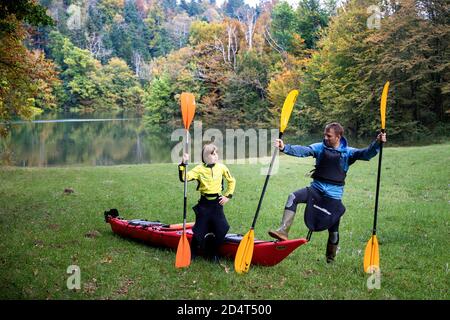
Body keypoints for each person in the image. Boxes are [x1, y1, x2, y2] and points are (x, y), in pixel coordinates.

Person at [268, 122, 387, 263]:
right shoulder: (320, 147)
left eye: (329, 135)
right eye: (324, 134)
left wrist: (377, 143)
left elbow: (366, 154)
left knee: (334, 230)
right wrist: (285, 147)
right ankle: (282, 231)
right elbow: (304, 150)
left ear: (338, 136)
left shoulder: (348, 152)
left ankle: (330, 259)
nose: (325, 137)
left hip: (333, 197)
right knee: (293, 197)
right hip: (315, 190)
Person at [178, 143, 236, 262]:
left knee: (222, 228)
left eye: (216, 153)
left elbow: (232, 181)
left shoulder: (222, 167)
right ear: (205, 156)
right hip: (204, 204)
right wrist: (183, 164)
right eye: (212, 154)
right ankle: (192, 252)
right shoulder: (199, 169)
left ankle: (213, 253)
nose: (216, 156)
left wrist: (227, 196)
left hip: (217, 204)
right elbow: (184, 178)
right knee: (199, 229)